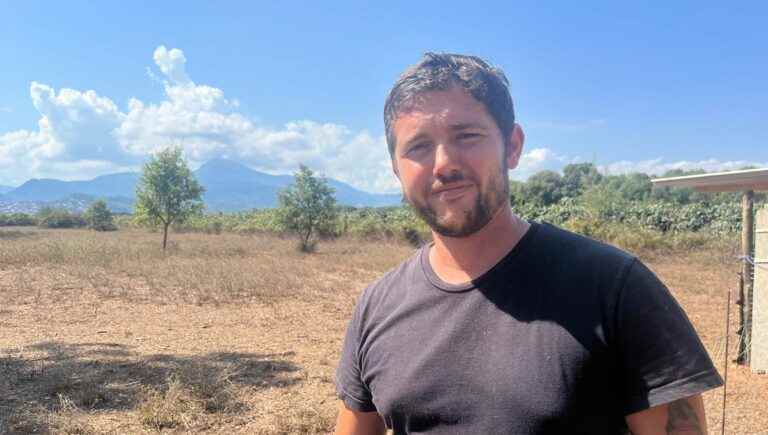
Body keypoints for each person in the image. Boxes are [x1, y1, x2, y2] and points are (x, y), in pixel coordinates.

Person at [334, 53, 722, 434]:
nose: (444, 164)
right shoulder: (377, 306)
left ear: (513, 146)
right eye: (418, 146)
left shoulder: (615, 288)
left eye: (467, 136)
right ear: (396, 169)